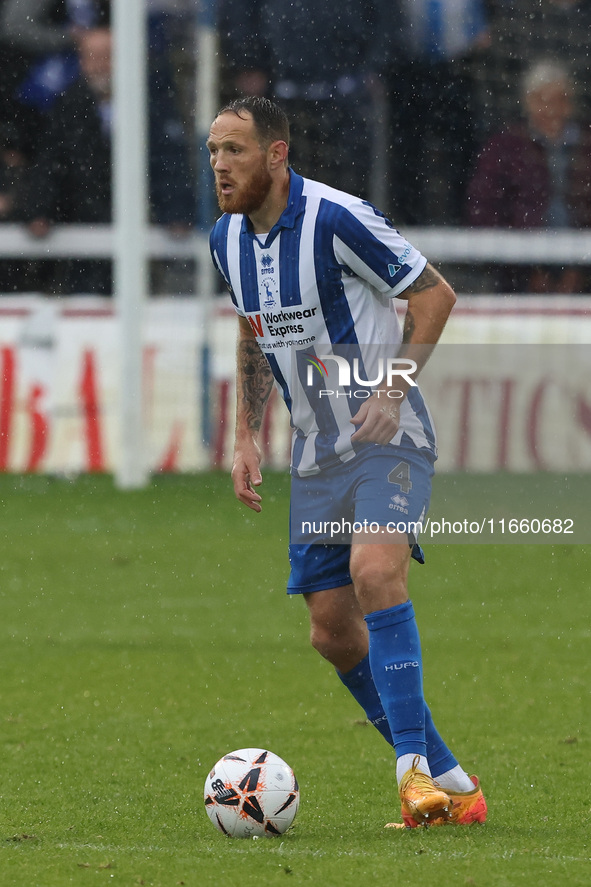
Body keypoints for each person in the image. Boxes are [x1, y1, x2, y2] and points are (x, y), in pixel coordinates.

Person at [207, 96, 487, 828]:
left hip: (386, 436)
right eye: (212, 151)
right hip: (315, 455)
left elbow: (434, 297)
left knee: (373, 571)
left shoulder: (336, 217)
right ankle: (452, 779)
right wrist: (245, 433)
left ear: (276, 155)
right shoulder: (225, 240)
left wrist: (392, 391)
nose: (219, 165)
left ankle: (412, 777)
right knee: (331, 629)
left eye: (234, 150)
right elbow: (252, 328)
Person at [20, 25, 194, 295]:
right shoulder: (69, 105)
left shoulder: (151, 104)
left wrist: (177, 212)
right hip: (82, 231)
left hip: (140, 227)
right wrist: (40, 210)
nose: (99, 66)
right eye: (91, 56)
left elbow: (168, 162)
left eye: (107, 56)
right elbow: (50, 164)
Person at [466, 58, 591, 293]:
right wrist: (525, 267)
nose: (552, 109)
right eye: (543, 100)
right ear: (528, 103)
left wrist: (580, 271)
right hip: (520, 274)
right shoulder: (504, 148)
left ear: (570, 103)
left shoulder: (586, 145)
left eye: (560, 100)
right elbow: (484, 209)